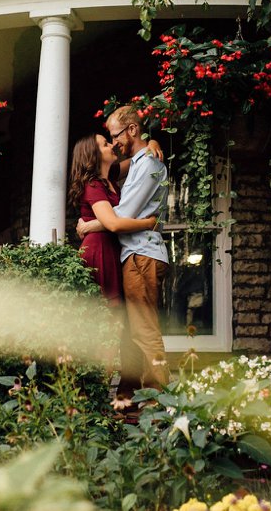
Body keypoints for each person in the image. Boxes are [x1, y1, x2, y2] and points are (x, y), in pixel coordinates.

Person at [77, 105, 170, 397]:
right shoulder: (105, 178)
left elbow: (119, 218)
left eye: (113, 136)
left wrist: (92, 225)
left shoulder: (140, 166)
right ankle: (123, 399)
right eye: (107, 141)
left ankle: (160, 402)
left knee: (141, 331)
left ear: (131, 130)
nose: (113, 142)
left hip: (139, 254)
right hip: (117, 256)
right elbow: (115, 221)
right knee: (124, 330)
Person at [68, 133, 159, 306]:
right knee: (112, 312)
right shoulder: (93, 186)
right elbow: (114, 224)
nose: (112, 145)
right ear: (93, 156)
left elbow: (140, 157)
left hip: (111, 247)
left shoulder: (110, 176)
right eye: (105, 145)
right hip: (100, 250)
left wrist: (153, 142)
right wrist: (147, 223)